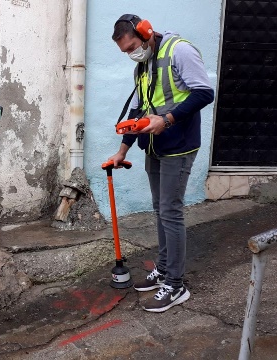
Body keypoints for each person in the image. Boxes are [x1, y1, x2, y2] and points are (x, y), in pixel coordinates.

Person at [108, 14, 214, 313]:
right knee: (160, 209)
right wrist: (123, 149)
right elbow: (139, 108)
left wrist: (167, 120)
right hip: (153, 145)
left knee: (171, 211)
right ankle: (164, 270)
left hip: (178, 145)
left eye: (132, 47)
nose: (131, 54)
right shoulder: (143, 65)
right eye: (125, 52)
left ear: (145, 33)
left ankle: (177, 284)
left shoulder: (179, 50)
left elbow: (205, 93)